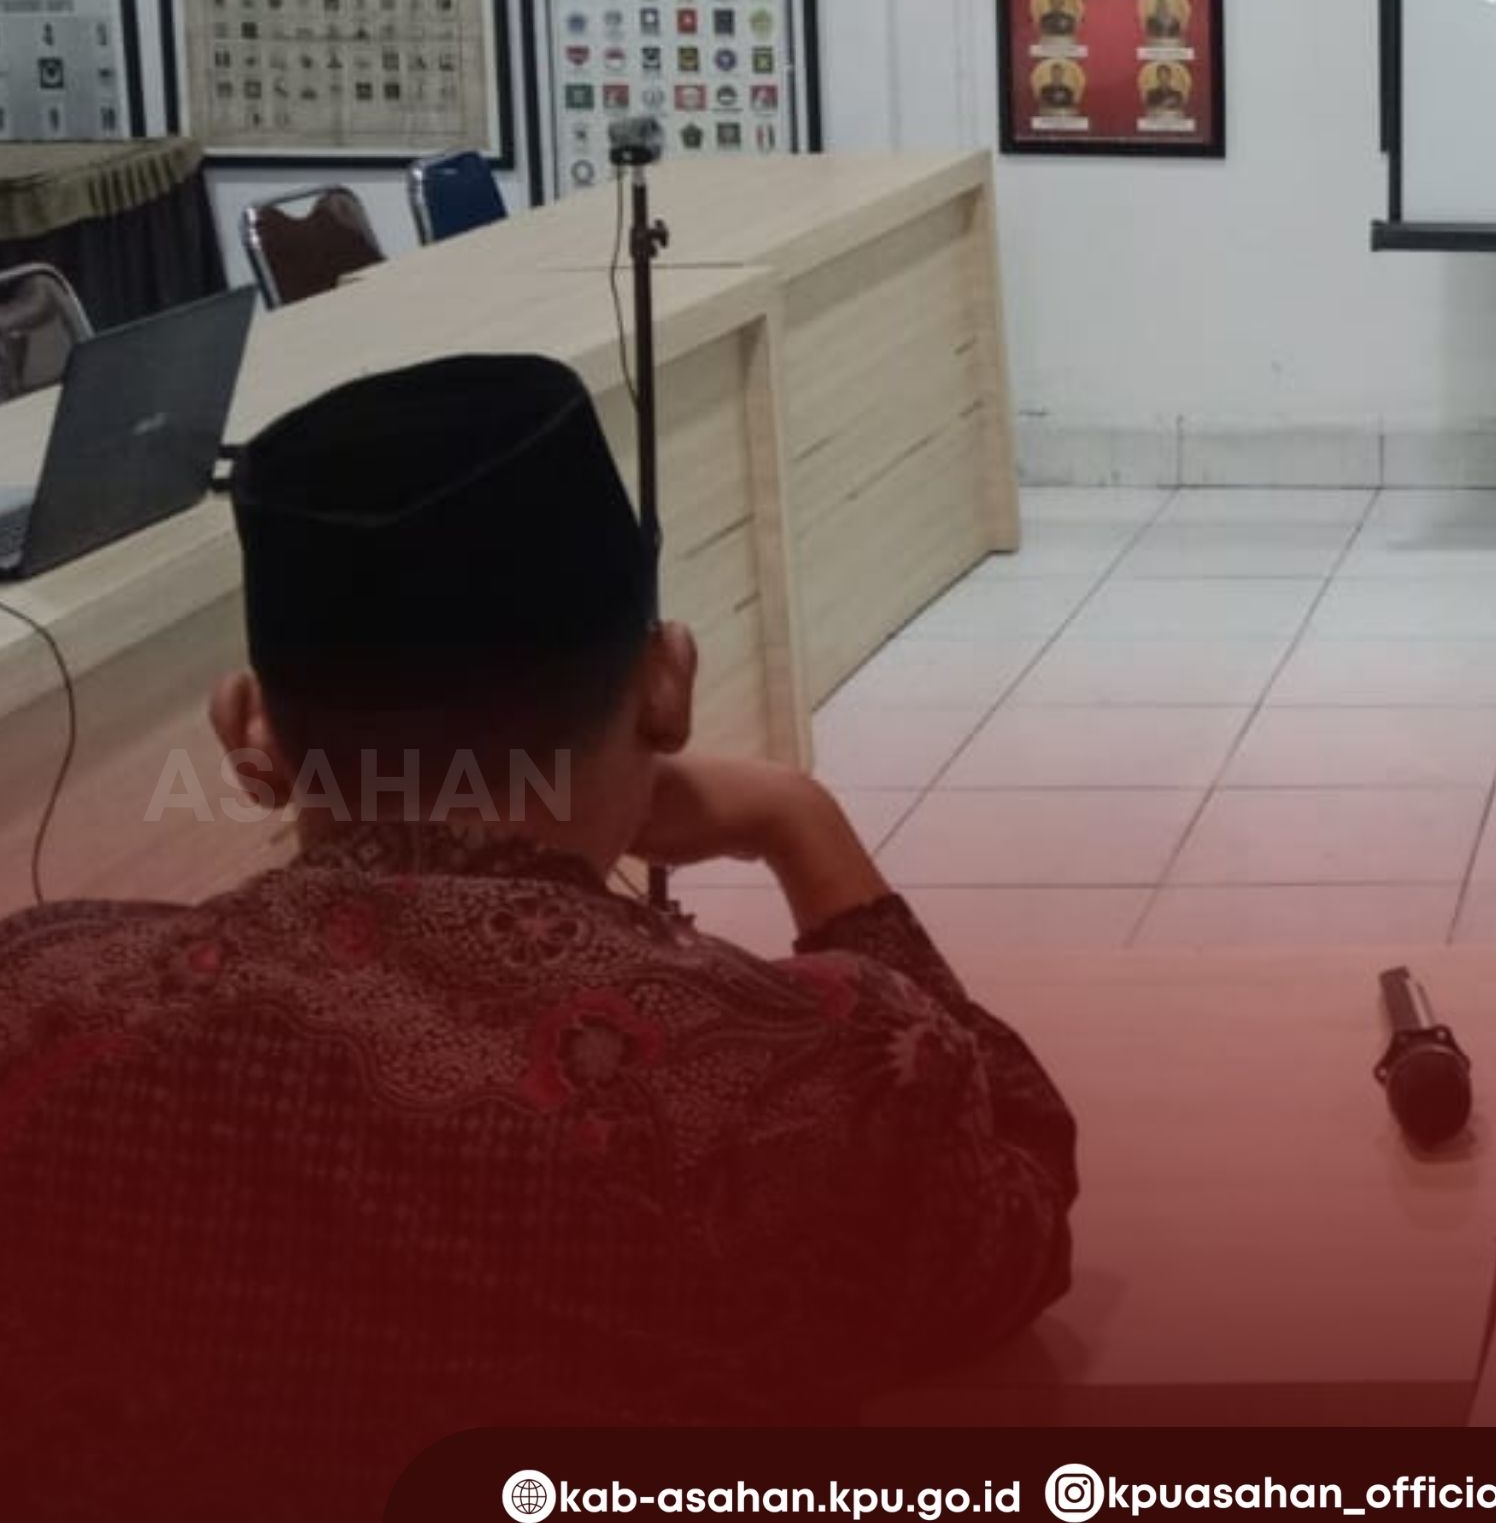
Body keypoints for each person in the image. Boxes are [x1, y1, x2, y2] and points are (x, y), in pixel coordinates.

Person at [0, 357, 1077, 1518]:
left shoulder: (38, 993)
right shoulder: (796, 1069)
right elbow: (1011, 1207)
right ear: (667, 687)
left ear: (247, 732)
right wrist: (795, 821)